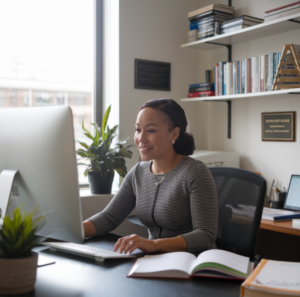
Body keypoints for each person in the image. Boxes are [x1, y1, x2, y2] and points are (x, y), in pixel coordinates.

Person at [83, 99, 218, 254]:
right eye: (138, 130)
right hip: (153, 261)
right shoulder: (138, 172)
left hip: (190, 263)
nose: (141, 138)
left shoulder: (194, 172)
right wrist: (68, 230)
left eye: (151, 130)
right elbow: (109, 218)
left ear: (174, 133)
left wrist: (153, 244)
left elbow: (206, 236)